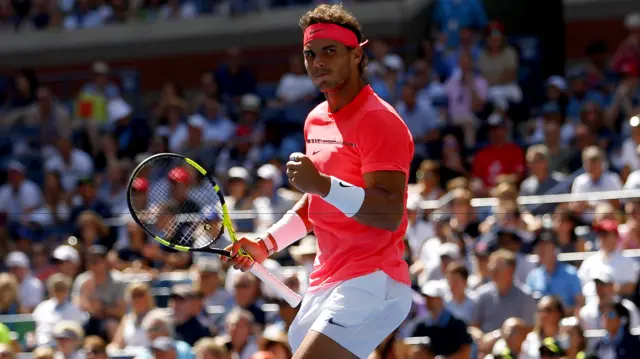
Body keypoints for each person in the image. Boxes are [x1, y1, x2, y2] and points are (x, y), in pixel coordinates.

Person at [224, 4, 414, 359]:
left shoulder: (379, 120)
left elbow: (388, 212)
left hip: (374, 281)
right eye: (310, 53)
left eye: (330, 51)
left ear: (356, 55)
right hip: (326, 281)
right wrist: (266, 244)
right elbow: (318, 203)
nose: (318, 61)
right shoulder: (315, 120)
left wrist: (324, 184)